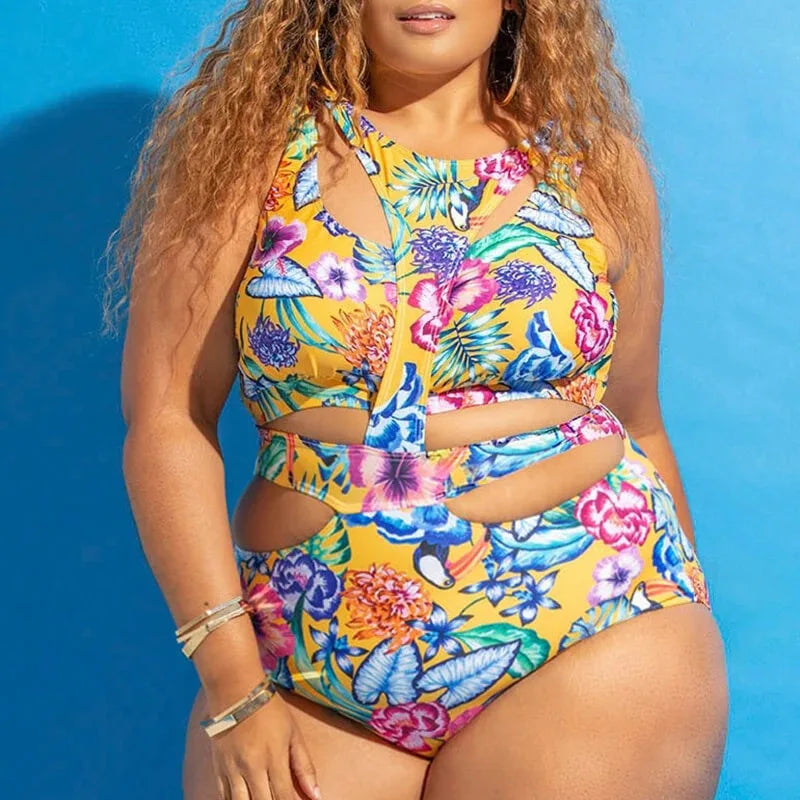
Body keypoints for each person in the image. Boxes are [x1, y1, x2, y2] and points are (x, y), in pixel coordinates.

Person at [107, 1, 730, 798]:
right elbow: (168, 415)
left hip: (597, 623)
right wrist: (232, 681)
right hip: (305, 656)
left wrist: (687, 608)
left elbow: (638, 418)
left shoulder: (593, 166)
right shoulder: (247, 154)